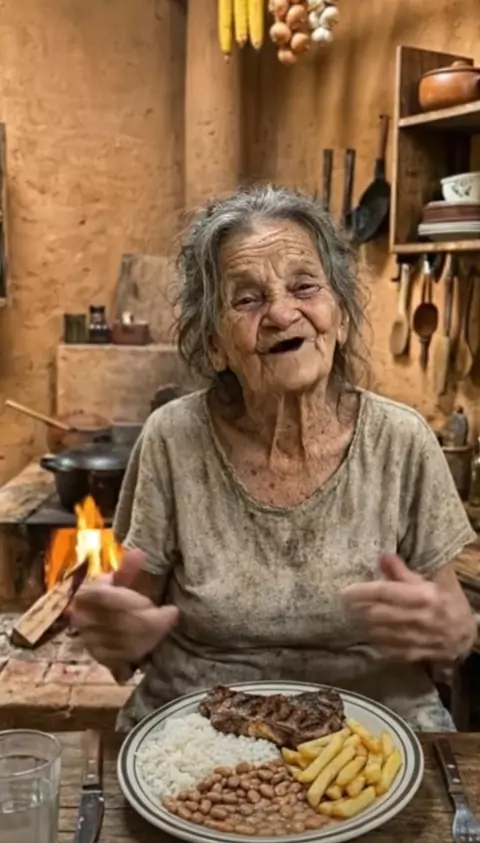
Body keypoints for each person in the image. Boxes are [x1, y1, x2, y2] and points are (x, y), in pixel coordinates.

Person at [71, 185, 477, 733]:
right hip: (200, 724)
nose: (283, 313)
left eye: (305, 286)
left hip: (373, 728)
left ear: (341, 317)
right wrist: (119, 639)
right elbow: (132, 633)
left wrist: (454, 632)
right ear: (215, 345)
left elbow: (451, 630)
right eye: (247, 299)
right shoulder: (173, 439)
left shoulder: (400, 442)